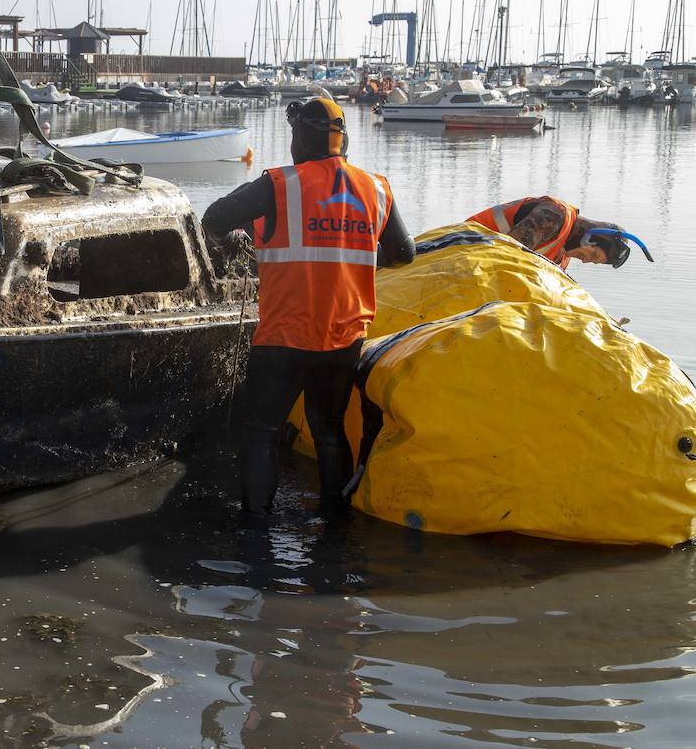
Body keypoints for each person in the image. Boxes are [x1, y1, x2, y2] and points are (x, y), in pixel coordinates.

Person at [202, 98, 415, 524]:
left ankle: (256, 527)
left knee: (261, 432)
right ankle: (335, 522)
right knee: (329, 431)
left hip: (284, 337)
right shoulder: (375, 189)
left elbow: (214, 218)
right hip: (343, 339)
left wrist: (252, 229)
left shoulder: (279, 185)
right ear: (342, 140)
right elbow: (404, 254)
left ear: (299, 137)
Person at [467, 196, 652, 268]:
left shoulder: (561, 259)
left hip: (477, 263)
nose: (586, 260)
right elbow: (505, 259)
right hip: (462, 246)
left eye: (593, 261)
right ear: (590, 238)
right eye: (593, 254)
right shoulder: (553, 215)